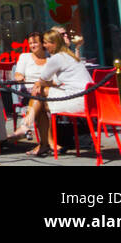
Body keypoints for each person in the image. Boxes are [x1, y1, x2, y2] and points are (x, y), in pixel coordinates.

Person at [26, 29, 93, 157]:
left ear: (54, 43)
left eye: (46, 43)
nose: (44, 45)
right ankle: (46, 144)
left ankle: (27, 126)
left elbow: (42, 80)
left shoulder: (56, 58)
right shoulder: (69, 55)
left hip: (77, 101)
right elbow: (54, 82)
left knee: (40, 94)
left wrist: (38, 86)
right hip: (87, 100)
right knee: (41, 103)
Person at [10, 32, 50, 152]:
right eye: (30, 43)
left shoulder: (50, 57)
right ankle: (45, 144)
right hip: (29, 91)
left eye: (35, 42)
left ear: (42, 43)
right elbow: (18, 73)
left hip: (47, 90)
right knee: (38, 95)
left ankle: (26, 126)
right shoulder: (25, 56)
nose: (32, 45)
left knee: (40, 97)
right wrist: (18, 76)